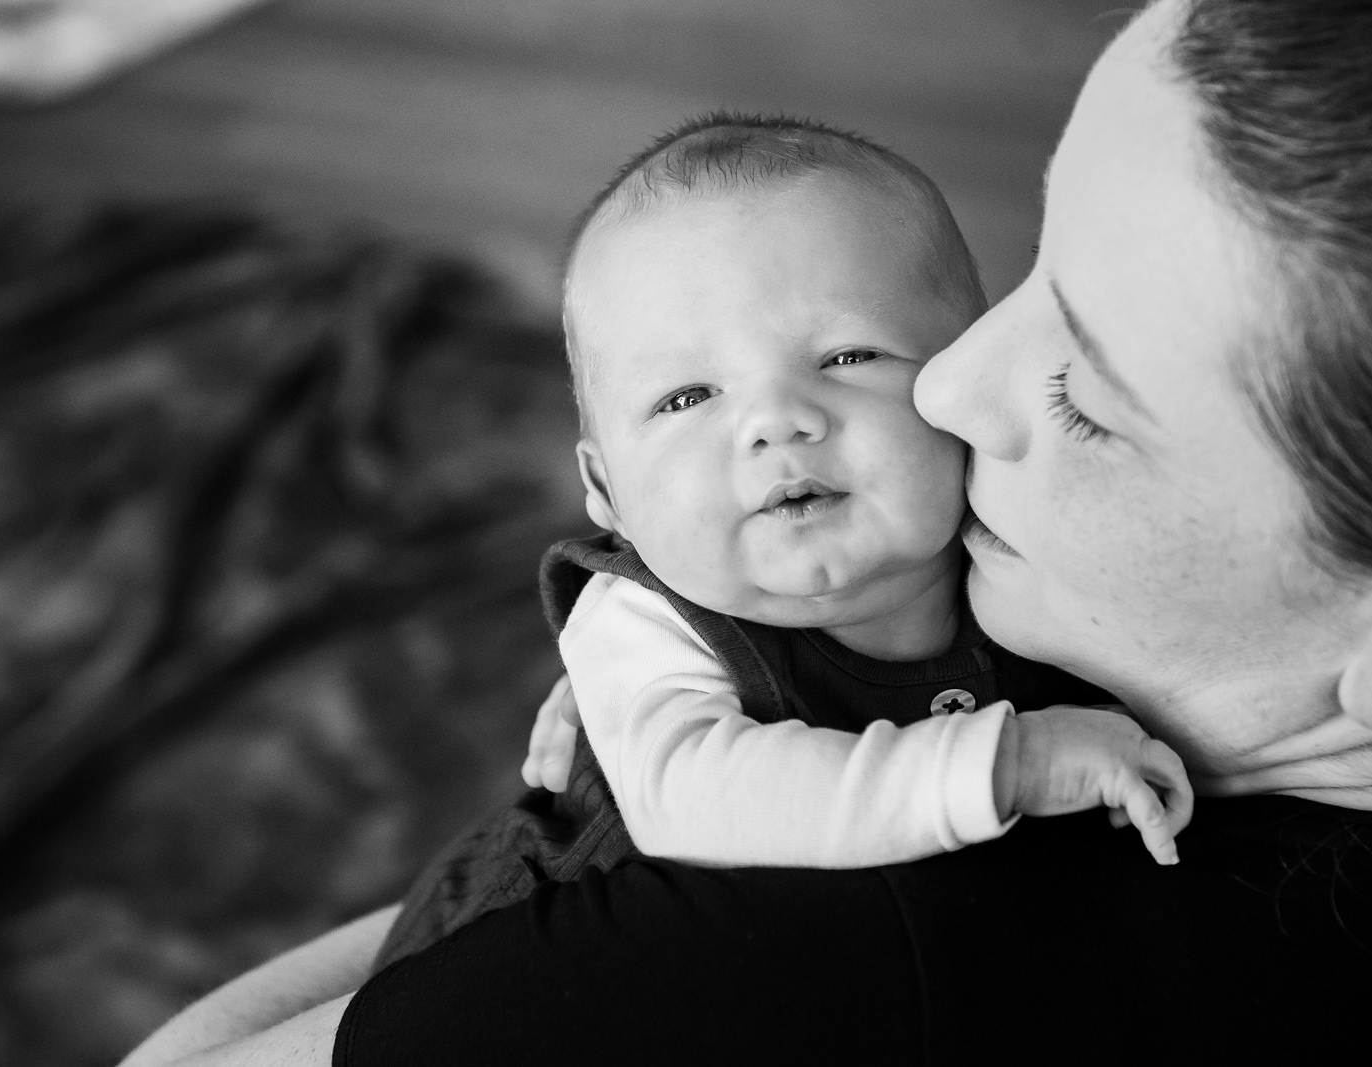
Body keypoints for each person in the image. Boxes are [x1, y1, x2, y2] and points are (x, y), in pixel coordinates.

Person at [124, 0, 1372, 1062]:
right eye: (1038, 273)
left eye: (1085, 387)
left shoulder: (837, 956)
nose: (946, 383)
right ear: (603, 485)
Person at [363, 113, 1194, 967]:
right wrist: (1011, 764)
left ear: (965, 376)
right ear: (607, 492)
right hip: (527, 967)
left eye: (848, 355)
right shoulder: (642, 625)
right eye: (687, 397)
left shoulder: (1016, 530)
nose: (776, 421)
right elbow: (695, 797)